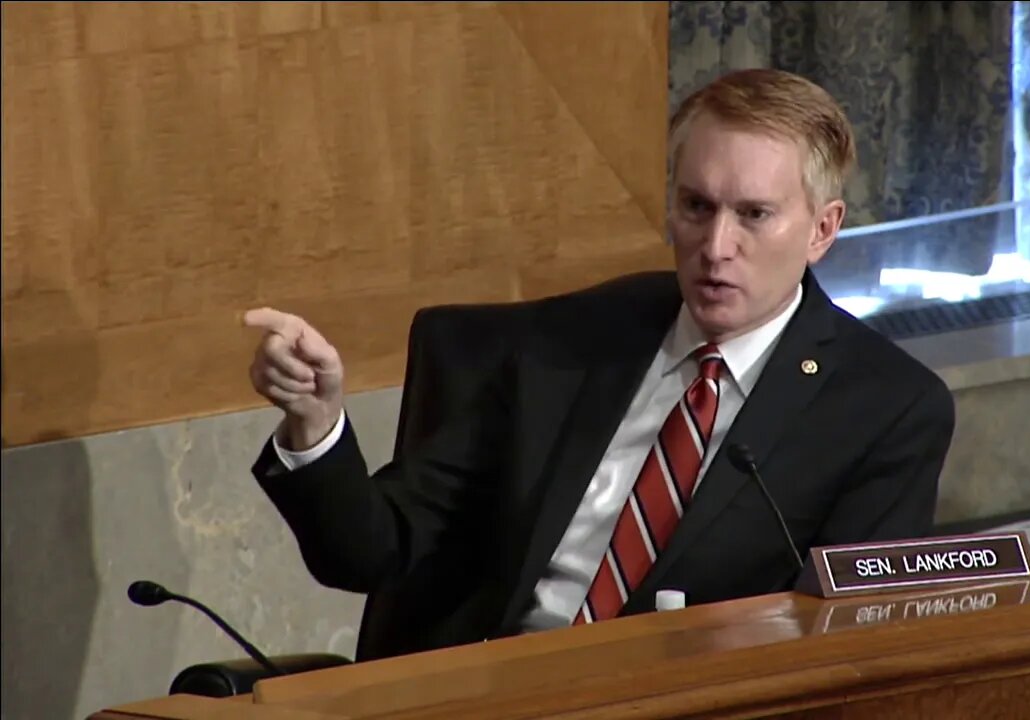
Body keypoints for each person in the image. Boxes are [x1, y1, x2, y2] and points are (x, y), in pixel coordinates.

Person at [244, 68, 955, 652]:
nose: (715, 246)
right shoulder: (567, 343)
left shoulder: (885, 409)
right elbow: (373, 551)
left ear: (822, 230)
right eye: (696, 207)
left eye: (754, 215)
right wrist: (316, 422)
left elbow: (847, 651)